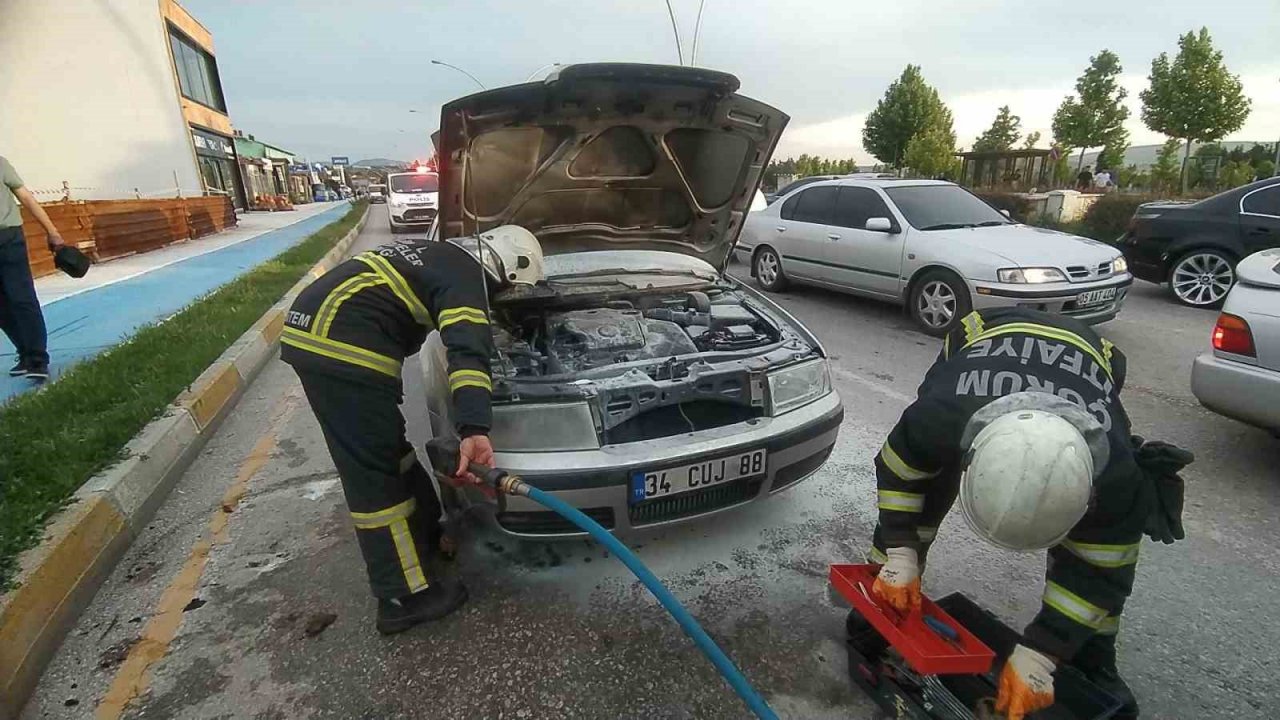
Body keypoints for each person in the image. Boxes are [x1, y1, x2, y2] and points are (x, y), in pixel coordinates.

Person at [868, 307, 1191, 720]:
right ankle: (883, 601)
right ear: (970, 458)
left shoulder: (1118, 479)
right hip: (984, 334)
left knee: (1095, 556)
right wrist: (899, 553)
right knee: (923, 497)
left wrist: (1043, 654)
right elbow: (899, 474)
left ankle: (1092, 661)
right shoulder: (939, 417)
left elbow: (1100, 575)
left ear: (1090, 494)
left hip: (1090, 352)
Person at [281, 225, 543, 635]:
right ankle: (402, 597)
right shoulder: (466, 275)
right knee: (375, 477)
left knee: (393, 455)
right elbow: (468, 352)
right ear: (508, 267)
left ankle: (423, 538)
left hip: (323, 331)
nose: (495, 304)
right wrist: (474, 427)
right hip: (339, 346)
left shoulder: (442, 256)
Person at [1, 155, 64, 381]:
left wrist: (52, 231)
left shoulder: (0, 163)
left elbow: (26, 198)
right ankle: (26, 353)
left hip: (7, 237)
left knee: (21, 297)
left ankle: (38, 358)